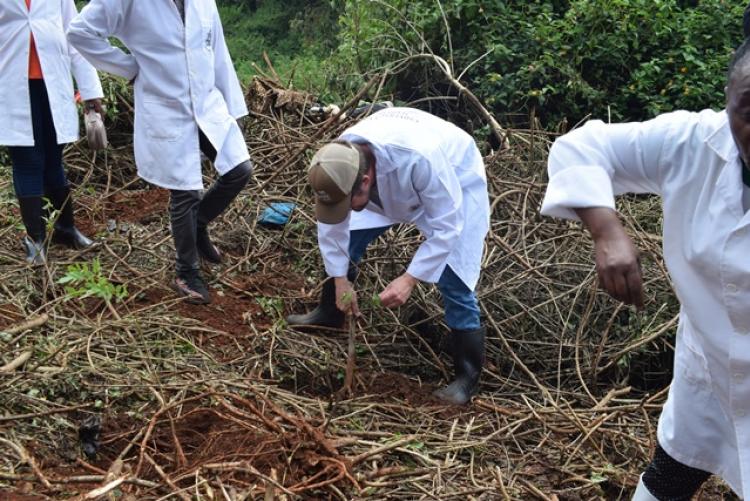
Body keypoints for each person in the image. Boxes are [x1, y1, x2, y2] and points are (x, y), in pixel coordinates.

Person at [540, 28, 750, 501]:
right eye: (749, 109)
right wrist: (606, 231)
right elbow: (579, 148)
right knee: (669, 476)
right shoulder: (693, 143)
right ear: (728, 99)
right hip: (709, 370)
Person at [286, 107, 490, 405]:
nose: (342, 210)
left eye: (348, 202)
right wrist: (341, 281)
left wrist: (409, 279)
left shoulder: (419, 159)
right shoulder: (340, 160)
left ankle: (466, 377)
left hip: (453, 181)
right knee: (351, 236)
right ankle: (330, 314)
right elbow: (332, 229)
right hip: (394, 179)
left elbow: (447, 226)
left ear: (366, 181)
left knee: (454, 276)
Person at [67, 0, 252, 304]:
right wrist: (129, 68)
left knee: (239, 170)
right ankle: (186, 271)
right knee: (185, 190)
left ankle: (199, 224)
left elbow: (218, 52)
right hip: (166, 106)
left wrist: (234, 110)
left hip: (207, 104)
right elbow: (80, 32)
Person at [1, 0, 103, 265]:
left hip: (53, 83)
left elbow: (76, 35)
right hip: (11, 85)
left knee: (53, 160)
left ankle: (66, 229)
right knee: (28, 159)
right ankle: (35, 239)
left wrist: (91, 92)